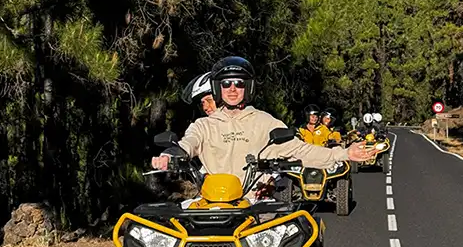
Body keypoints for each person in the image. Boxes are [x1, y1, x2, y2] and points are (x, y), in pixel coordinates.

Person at [152, 56, 373, 181]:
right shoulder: (202, 125)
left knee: (294, 240)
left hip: (256, 203)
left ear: (247, 88)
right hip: (211, 202)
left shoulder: (266, 122)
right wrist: (169, 156)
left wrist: (344, 153)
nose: (232, 89)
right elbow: (186, 145)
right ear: (218, 89)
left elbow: (300, 150)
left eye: (239, 83)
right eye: (226, 84)